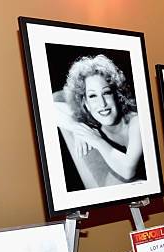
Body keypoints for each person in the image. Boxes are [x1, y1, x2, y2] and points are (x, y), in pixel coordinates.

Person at [54, 54, 145, 188]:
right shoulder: (92, 126)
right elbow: (48, 106)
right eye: (92, 96)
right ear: (85, 103)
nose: (102, 104)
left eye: (106, 93)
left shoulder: (136, 121)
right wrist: (78, 128)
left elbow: (127, 170)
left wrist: (96, 140)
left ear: (117, 94)